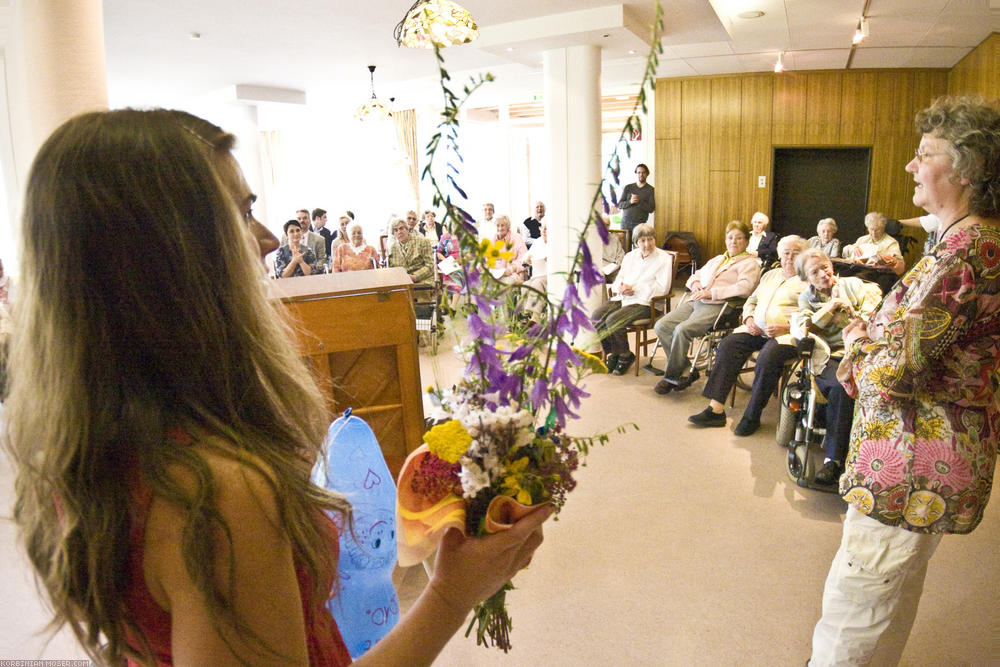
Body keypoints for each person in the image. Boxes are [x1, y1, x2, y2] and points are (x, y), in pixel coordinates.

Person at [5, 108, 550, 667]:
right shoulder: (219, 495)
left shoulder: (96, 447)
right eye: (241, 213)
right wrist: (450, 596)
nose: (268, 239)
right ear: (169, 256)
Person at [810, 97, 1000, 665]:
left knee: (860, 599)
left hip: (912, 456)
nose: (911, 167)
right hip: (934, 451)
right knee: (894, 593)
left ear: (966, 168)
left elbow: (892, 373)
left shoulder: (963, 255)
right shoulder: (968, 239)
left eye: (924, 155)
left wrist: (859, 341)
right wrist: (875, 335)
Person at [687, 235, 809, 433]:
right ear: (780, 254)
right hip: (756, 329)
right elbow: (751, 300)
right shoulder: (771, 275)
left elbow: (811, 314)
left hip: (784, 335)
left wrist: (786, 328)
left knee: (767, 358)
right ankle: (715, 409)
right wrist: (748, 319)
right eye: (786, 253)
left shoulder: (808, 281)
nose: (789, 257)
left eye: (795, 254)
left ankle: (753, 416)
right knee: (728, 345)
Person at [789, 248, 881, 477]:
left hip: (862, 350)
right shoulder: (805, 298)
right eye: (814, 272)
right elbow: (807, 328)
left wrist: (851, 317)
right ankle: (834, 460)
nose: (823, 274)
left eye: (825, 267)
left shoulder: (854, 285)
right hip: (831, 355)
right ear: (806, 278)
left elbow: (873, 319)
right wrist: (830, 309)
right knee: (842, 388)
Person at [653, 220, 760, 393]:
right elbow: (696, 274)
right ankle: (686, 369)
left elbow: (744, 288)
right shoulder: (718, 259)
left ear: (747, 242)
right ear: (725, 240)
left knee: (682, 330)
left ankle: (672, 376)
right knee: (661, 326)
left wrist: (712, 293)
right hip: (697, 300)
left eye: (739, 238)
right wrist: (695, 285)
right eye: (730, 237)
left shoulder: (750, 264)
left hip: (719, 306)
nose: (734, 241)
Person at [591, 224, 672, 375]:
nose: (647, 244)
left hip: (647, 302)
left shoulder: (664, 259)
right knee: (596, 317)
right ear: (636, 242)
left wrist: (635, 289)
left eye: (650, 239)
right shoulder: (630, 256)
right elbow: (619, 278)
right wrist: (620, 287)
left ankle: (625, 355)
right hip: (625, 297)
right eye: (642, 240)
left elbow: (663, 288)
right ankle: (616, 352)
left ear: (655, 239)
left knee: (613, 320)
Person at [842, 211, 905, 275]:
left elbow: (900, 266)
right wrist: (853, 248)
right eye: (871, 229)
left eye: (877, 230)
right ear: (867, 228)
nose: (874, 233)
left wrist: (886, 260)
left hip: (878, 274)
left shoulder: (891, 243)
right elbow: (845, 252)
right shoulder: (862, 239)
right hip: (857, 269)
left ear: (883, 228)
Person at [387, 218, 434, 287]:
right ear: (393, 234)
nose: (399, 232)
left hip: (423, 281)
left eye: (401, 228)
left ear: (407, 229)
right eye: (396, 230)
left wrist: (415, 277)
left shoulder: (423, 242)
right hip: (402, 283)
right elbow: (392, 270)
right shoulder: (392, 248)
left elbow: (430, 266)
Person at [618, 164, 655, 237]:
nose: (641, 175)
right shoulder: (628, 187)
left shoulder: (650, 190)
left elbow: (651, 209)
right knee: (625, 247)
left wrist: (639, 202)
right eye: (639, 172)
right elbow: (619, 205)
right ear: (636, 174)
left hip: (640, 224)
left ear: (647, 174)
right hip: (625, 223)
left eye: (643, 172)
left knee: (639, 246)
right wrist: (630, 202)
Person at [492, 215, 529, 284]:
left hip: (513, 274)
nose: (500, 228)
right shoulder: (492, 239)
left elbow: (524, 259)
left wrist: (510, 269)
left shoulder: (517, 238)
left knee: (505, 283)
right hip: (496, 273)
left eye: (502, 225)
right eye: (497, 225)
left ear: (508, 226)